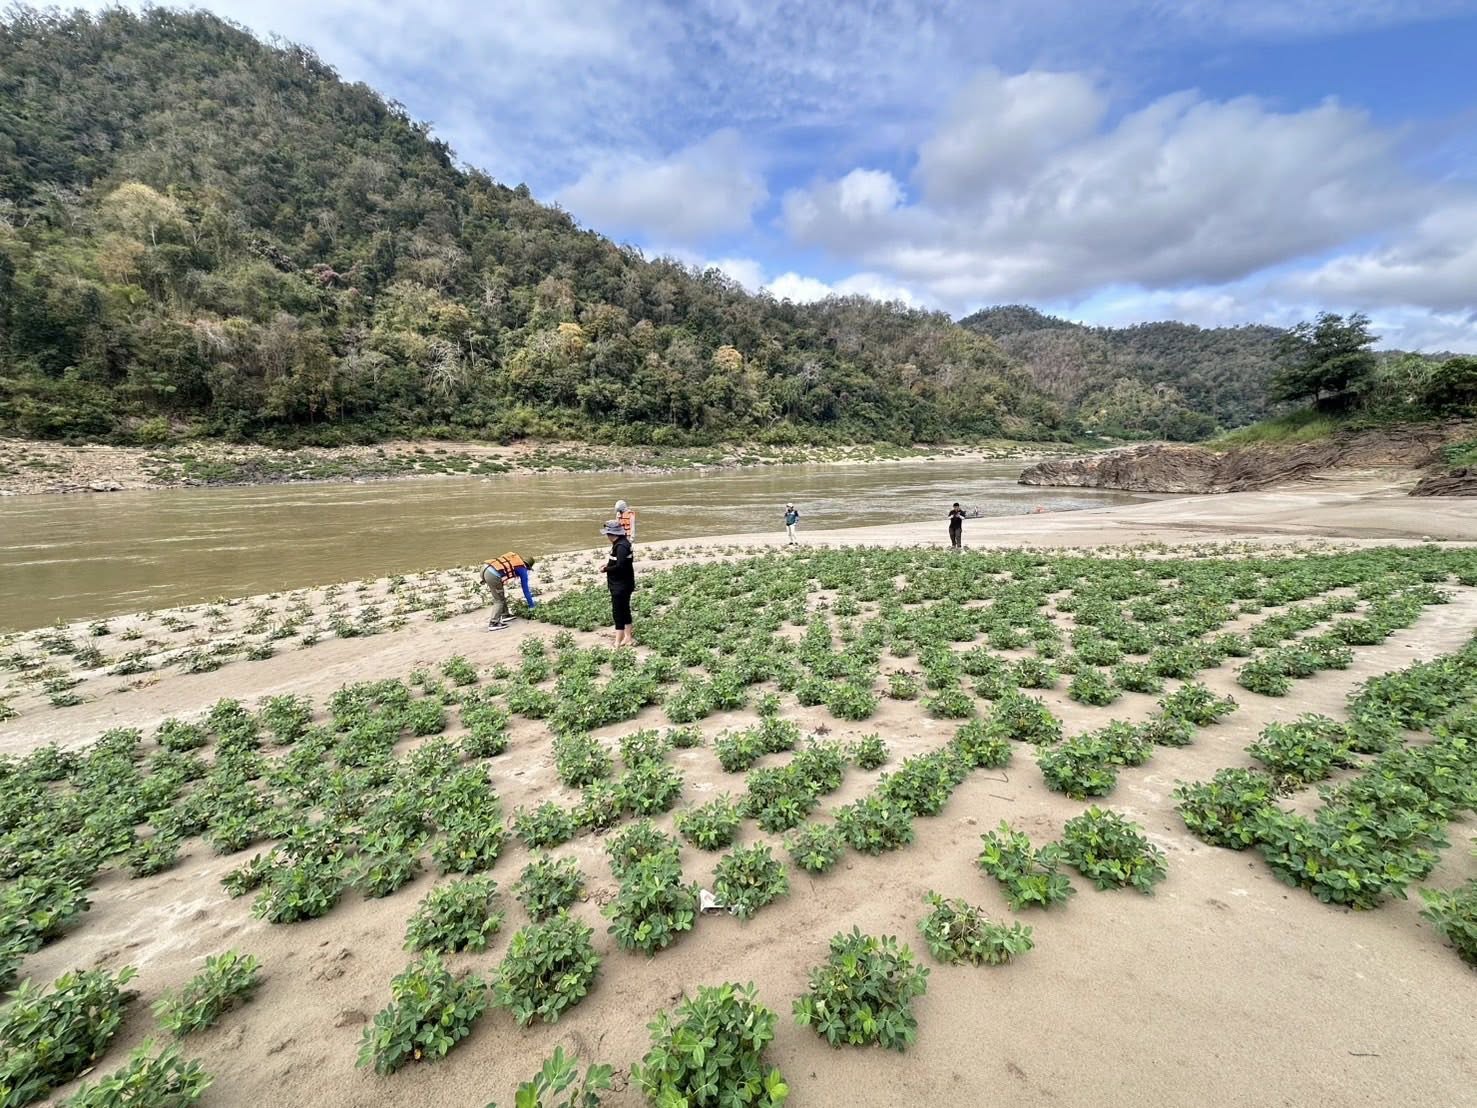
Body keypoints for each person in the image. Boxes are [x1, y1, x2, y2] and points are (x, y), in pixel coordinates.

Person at [599, 520, 636, 647]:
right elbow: (620, 562)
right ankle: (628, 637)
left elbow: (620, 566)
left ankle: (618, 641)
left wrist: (606, 569)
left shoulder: (621, 546)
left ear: (611, 534)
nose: (607, 536)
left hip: (620, 585)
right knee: (624, 609)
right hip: (624, 583)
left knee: (618, 612)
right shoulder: (623, 543)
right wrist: (608, 564)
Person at [481, 552, 536, 630]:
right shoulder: (523, 569)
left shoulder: (514, 560)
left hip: (485, 568)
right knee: (498, 600)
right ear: (528, 566)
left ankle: (505, 615)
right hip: (492, 574)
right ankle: (493, 623)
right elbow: (526, 590)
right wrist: (531, 606)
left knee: (500, 594)